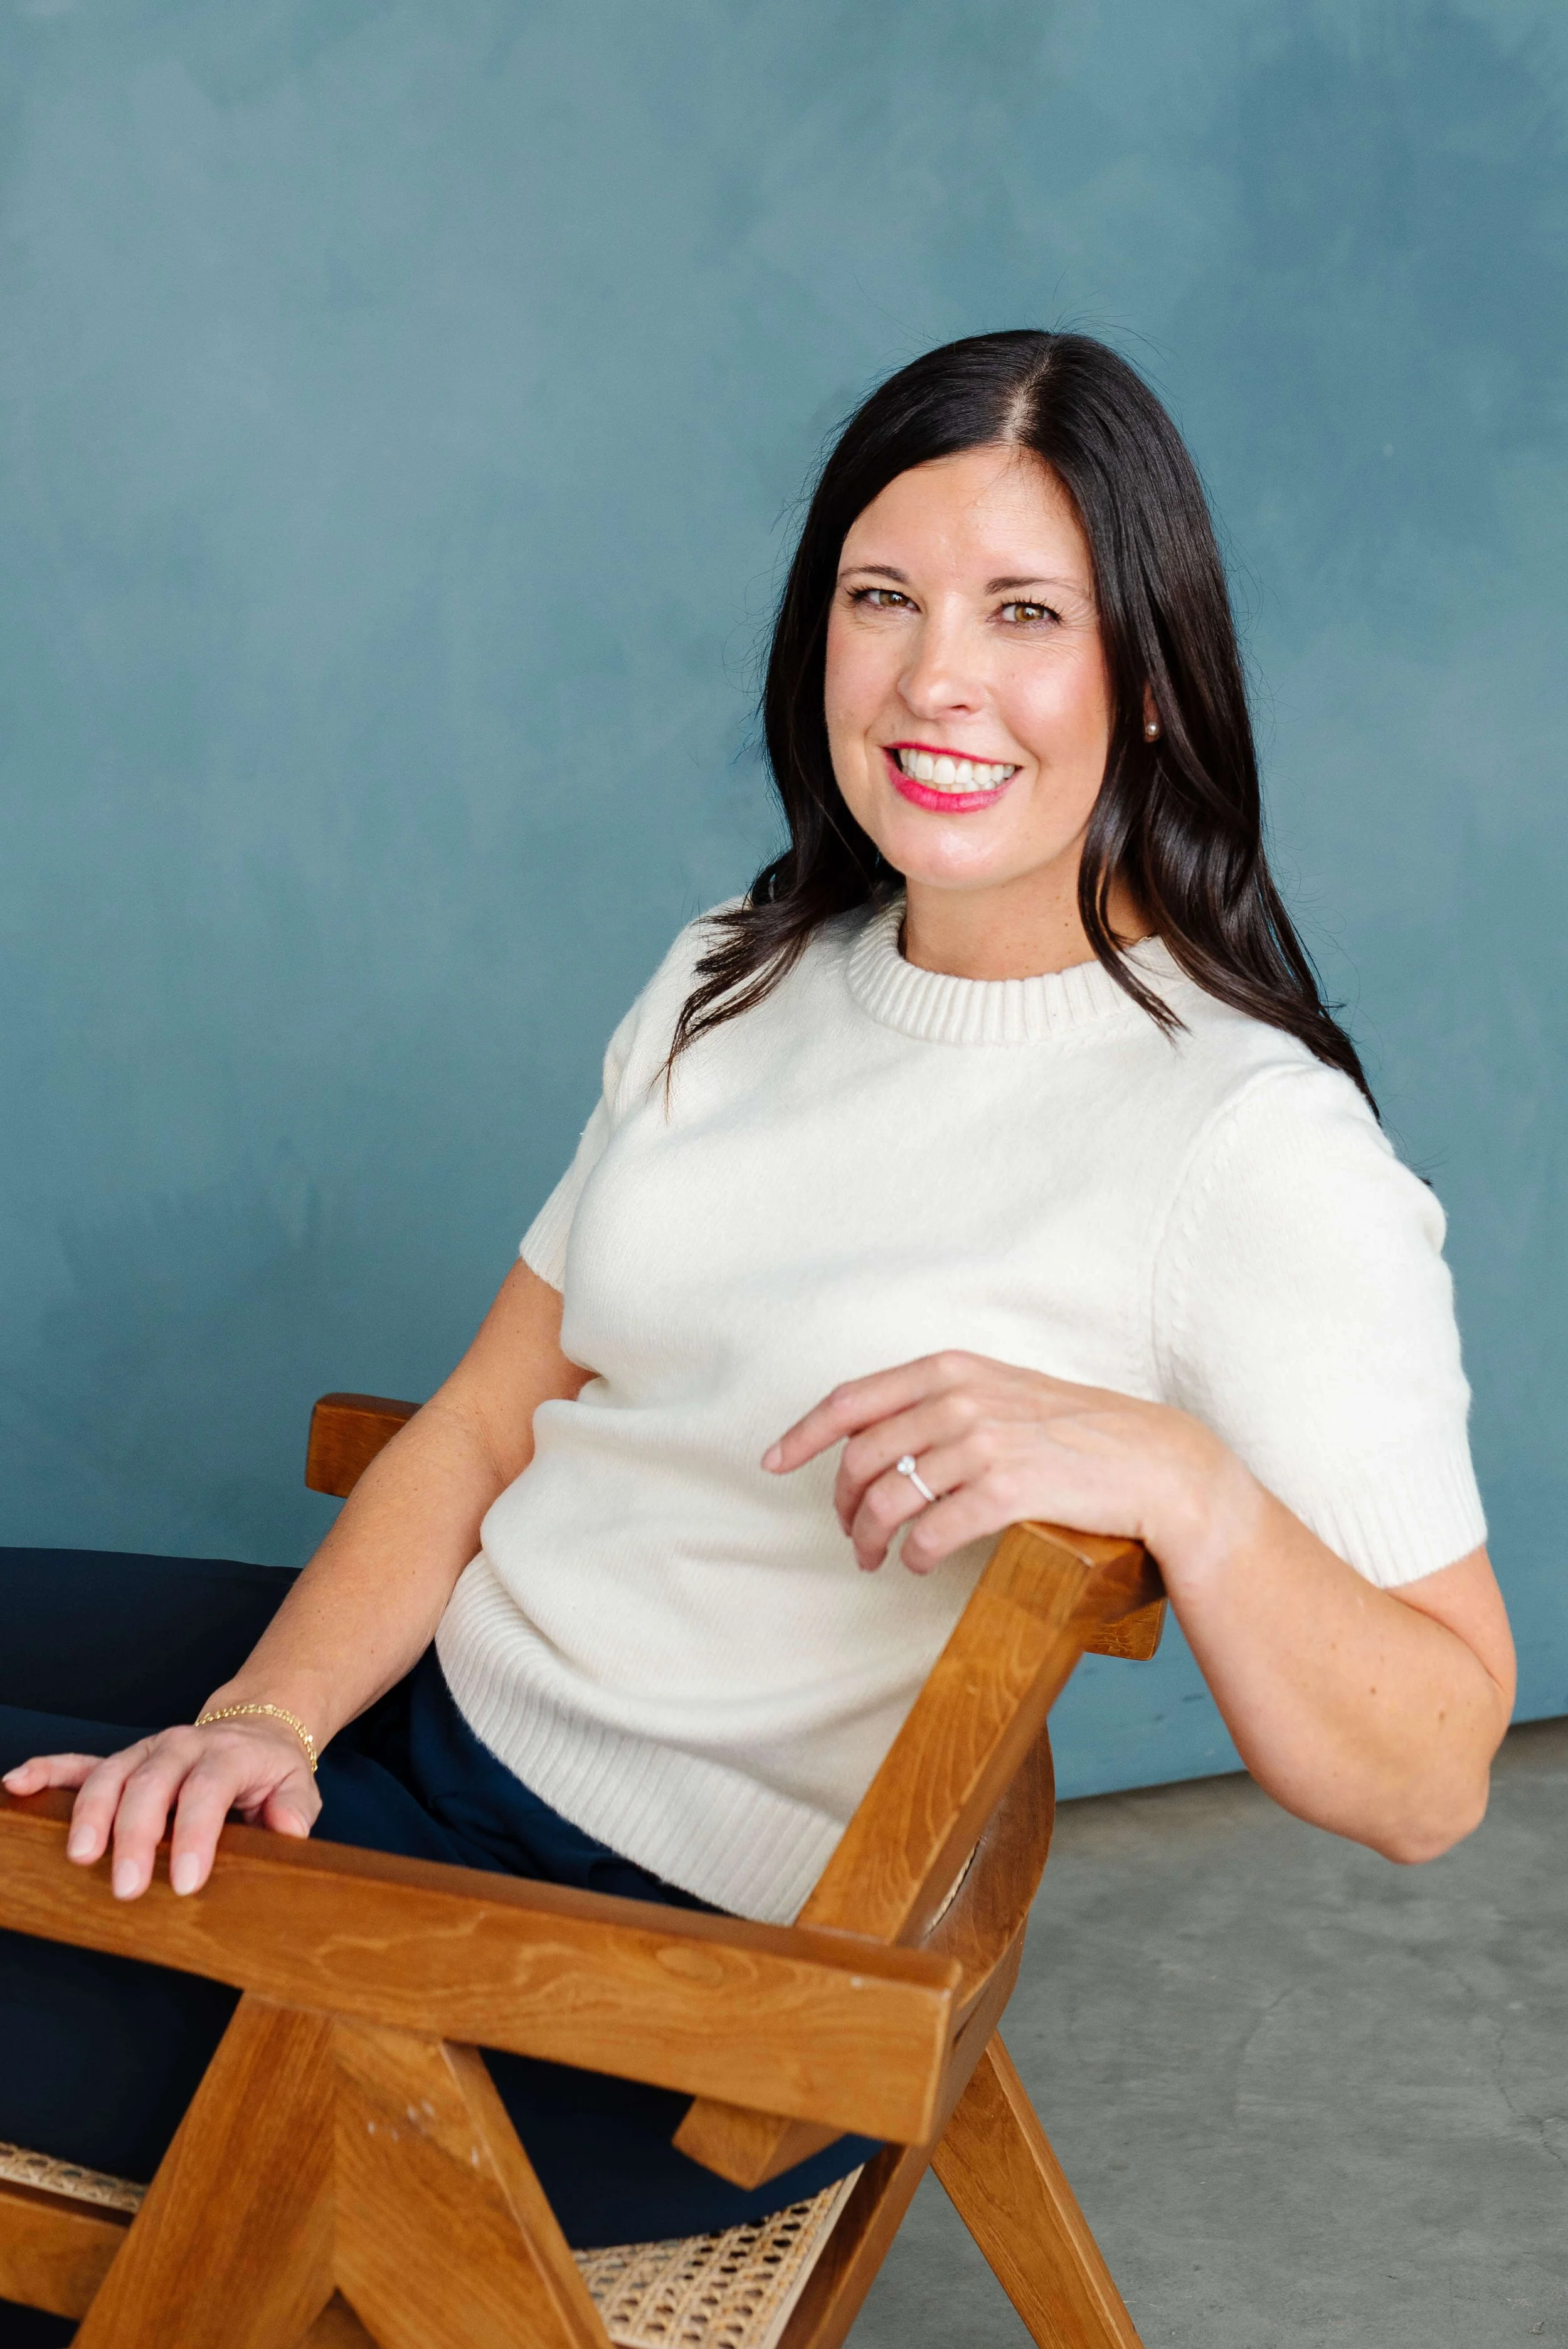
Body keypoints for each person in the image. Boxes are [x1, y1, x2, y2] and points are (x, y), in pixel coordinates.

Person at [1, 331, 1515, 2272]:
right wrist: (273, 1717)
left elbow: (1431, 1772)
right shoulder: (742, 968)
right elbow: (482, 1423)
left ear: (1147, 681)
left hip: (617, 2001)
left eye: (1022, 612)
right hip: (420, 1724)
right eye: (879, 599)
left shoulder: (1247, 1149)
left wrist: (1186, 1487)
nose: (930, 679)